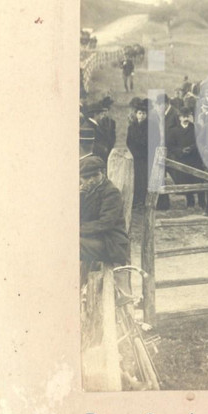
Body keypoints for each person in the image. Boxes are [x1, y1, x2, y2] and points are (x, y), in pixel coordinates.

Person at [79, 156, 130, 285]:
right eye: (86, 177)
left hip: (111, 243)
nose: (90, 180)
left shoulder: (111, 192)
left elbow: (105, 224)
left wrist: (77, 229)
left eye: (94, 176)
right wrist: (81, 197)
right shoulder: (85, 192)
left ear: (103, 173)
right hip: (95, 239)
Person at [166, 107, 206, 210]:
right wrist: (180, 151)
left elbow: (201, 142)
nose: (186, 118)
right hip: (182, 159)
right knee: (186, 181)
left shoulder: (197, 128)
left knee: (199, 180)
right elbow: (170, 146)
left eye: (188, 116)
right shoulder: (173, 131)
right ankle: (190, 202)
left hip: (195, 159)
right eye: (183, 116)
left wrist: (192, 148)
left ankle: (202, 202)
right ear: (179, 118)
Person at [125, 99, 150, 206]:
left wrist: (141, 149)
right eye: (139, 113)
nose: (142, 115)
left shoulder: (149, 126)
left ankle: (145, 200)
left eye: (144, 113)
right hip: (135, 156)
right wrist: (133, 152)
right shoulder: (132, 127)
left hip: (145, 156)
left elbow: (149, 142)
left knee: (144, 178)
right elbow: (129, 141)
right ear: (136, 114)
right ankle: (136, 199)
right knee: (136, 178)